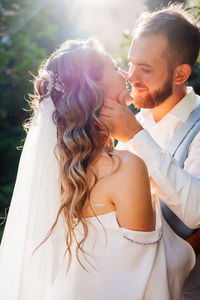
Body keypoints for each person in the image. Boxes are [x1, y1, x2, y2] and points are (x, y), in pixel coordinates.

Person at [0, 38, 194, 300]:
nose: (125, 74)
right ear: (94, 89)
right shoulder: (125, 168)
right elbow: (152, 274)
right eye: (114, 67)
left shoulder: (57, 170)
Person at [100, 4, 200, 300]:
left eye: (145, 68)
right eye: (131, 63)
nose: (131, 77)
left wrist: (135, 135)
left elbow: (196, 213)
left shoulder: (135, 129)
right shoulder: (135, 123)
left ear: (181, 74)